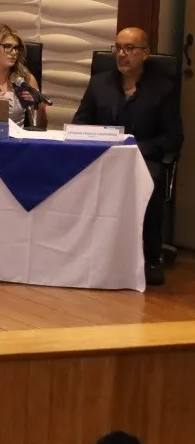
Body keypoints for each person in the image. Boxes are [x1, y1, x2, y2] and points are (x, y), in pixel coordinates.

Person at [73, 27, 182, 287]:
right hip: (103, 158)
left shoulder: (164, 88)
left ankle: (151, 258)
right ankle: (84, 252)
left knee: (151, 181)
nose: (122, 54)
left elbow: (174, 138)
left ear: (145, 54)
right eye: (118, 48)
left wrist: (135, 148)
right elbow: (79, 123)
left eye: (129, 48)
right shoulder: (99, 83)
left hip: (142, 159)